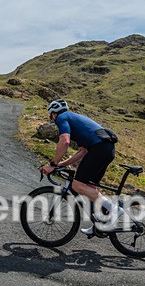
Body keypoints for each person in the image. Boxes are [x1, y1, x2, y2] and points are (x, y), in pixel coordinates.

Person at [39, 99, 121, 236]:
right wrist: (61, 164)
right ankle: (100, 223)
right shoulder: (74, 119)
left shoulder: (62, 118)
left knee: (77, 186)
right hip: (106, 149)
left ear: (53, 114)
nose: (53, 118)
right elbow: (82, 151)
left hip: (100, 149)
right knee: (89, 188)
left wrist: (52, 165)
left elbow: (64, 141)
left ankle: (114, 209)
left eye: (51, 116)